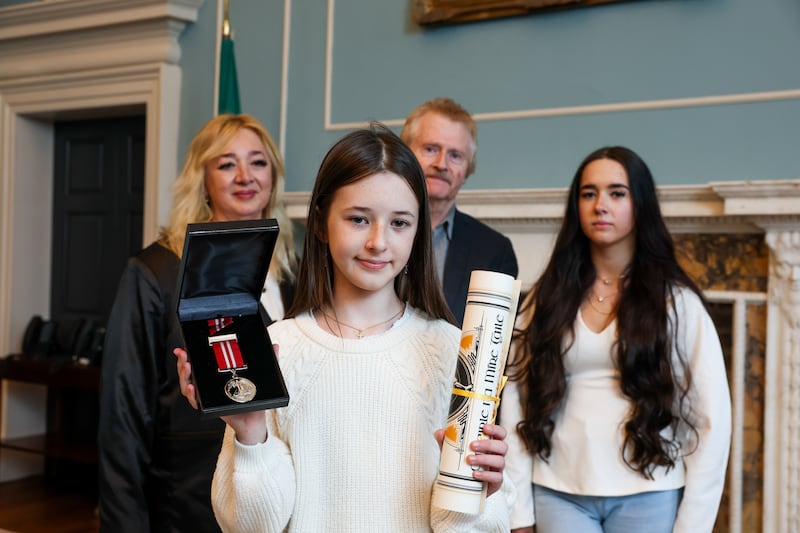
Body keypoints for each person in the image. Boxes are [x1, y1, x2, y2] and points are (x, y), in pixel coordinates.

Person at [175, 124, 515, 531]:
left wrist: (482, 492)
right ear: (320, 222)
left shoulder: (451, 350)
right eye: (358, 219)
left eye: (400, 223)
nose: (378, 242)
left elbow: (461, 529)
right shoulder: (277, 346)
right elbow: (252, 526)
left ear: (418, 230)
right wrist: (251, 433)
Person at [501, 146, 732, 533]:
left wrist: (693, 525)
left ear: (640, 203)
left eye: (616, 193)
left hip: (650, 490)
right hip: (557, 490)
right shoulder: (547, 297)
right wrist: (518, 511)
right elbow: (514, 402)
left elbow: (712, 420)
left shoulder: (677, 303)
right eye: (588, 193)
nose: (600, 205)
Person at [98, 114, 297, 532]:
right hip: (187, 502)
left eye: (258, 162)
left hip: (280, 498)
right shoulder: (155, 271)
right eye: (226, 164)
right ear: (202, 179)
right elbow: (123, 415)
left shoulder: (297, 272)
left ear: (274, 175)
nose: (245, 176)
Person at [400, 97, 518, 324]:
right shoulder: (373, 233)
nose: (441, 164)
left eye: (455, 155)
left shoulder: (495, 251)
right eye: (430, 149)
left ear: (468, 169)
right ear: (405, 155)